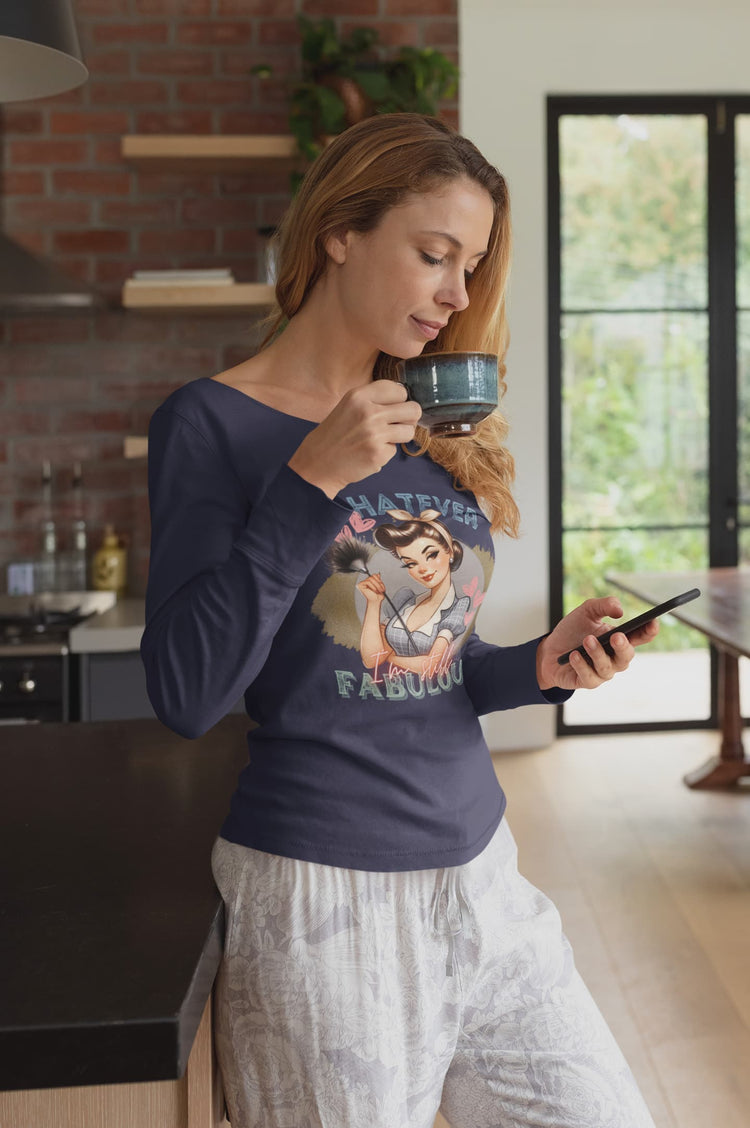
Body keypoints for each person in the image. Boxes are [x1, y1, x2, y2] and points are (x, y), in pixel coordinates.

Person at [141, 113, 658, 1128]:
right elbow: (188, 693)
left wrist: (540, 667)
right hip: (322, 899)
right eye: (434, 255)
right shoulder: (212, 423)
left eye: (471, 265)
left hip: (485, 878)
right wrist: (309, 484)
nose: (458, 294)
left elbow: (424, 663)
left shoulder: (428, 429)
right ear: (341, 231)